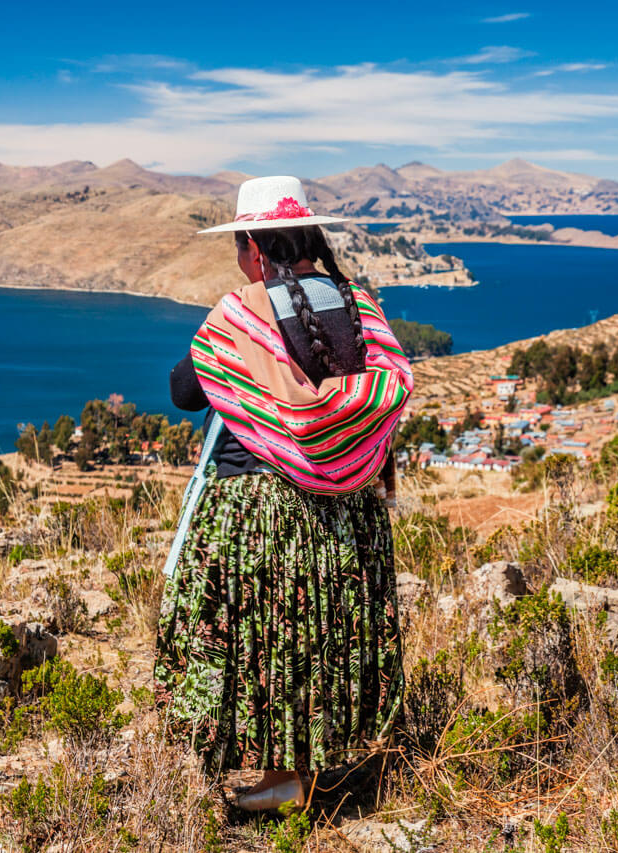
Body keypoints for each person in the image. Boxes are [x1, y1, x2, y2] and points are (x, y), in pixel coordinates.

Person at [154, 176, 412, 812]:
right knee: (320, 631)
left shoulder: (239, 315)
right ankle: (316, 771)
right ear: (309, 237)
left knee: (256, 635)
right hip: (348, 509)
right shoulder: (359, 305)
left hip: (260, 511)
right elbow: (382, 382)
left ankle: (276, 782)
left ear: (250, 246)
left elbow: (185, 391)